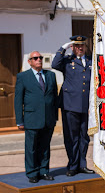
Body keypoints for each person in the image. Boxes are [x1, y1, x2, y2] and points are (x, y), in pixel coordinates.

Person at [52, 35, 95, 176]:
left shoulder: (90, 61)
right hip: (70, 105)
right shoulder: (67, 61)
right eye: (77, 46)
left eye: (82, 45)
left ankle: (82, 164)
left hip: (85, 107)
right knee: (71, 137)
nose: (80, 48)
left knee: (84, 137)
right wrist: (63, 47)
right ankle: (72, 165)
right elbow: (54, 64)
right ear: (73, 47)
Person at [14, 51, 58, 183]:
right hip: (31, 118)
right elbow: (18, 100)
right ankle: (32, 172)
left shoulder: (50, 75)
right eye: (35, 58)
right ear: (30, 61)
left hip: (48, 119)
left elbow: (54, 97)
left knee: (45, 147)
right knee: (31, 147)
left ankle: (44, 171)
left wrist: (55, 117)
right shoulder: (23, 77)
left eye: (40, 57)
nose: (39, 59)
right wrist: (19, 121)